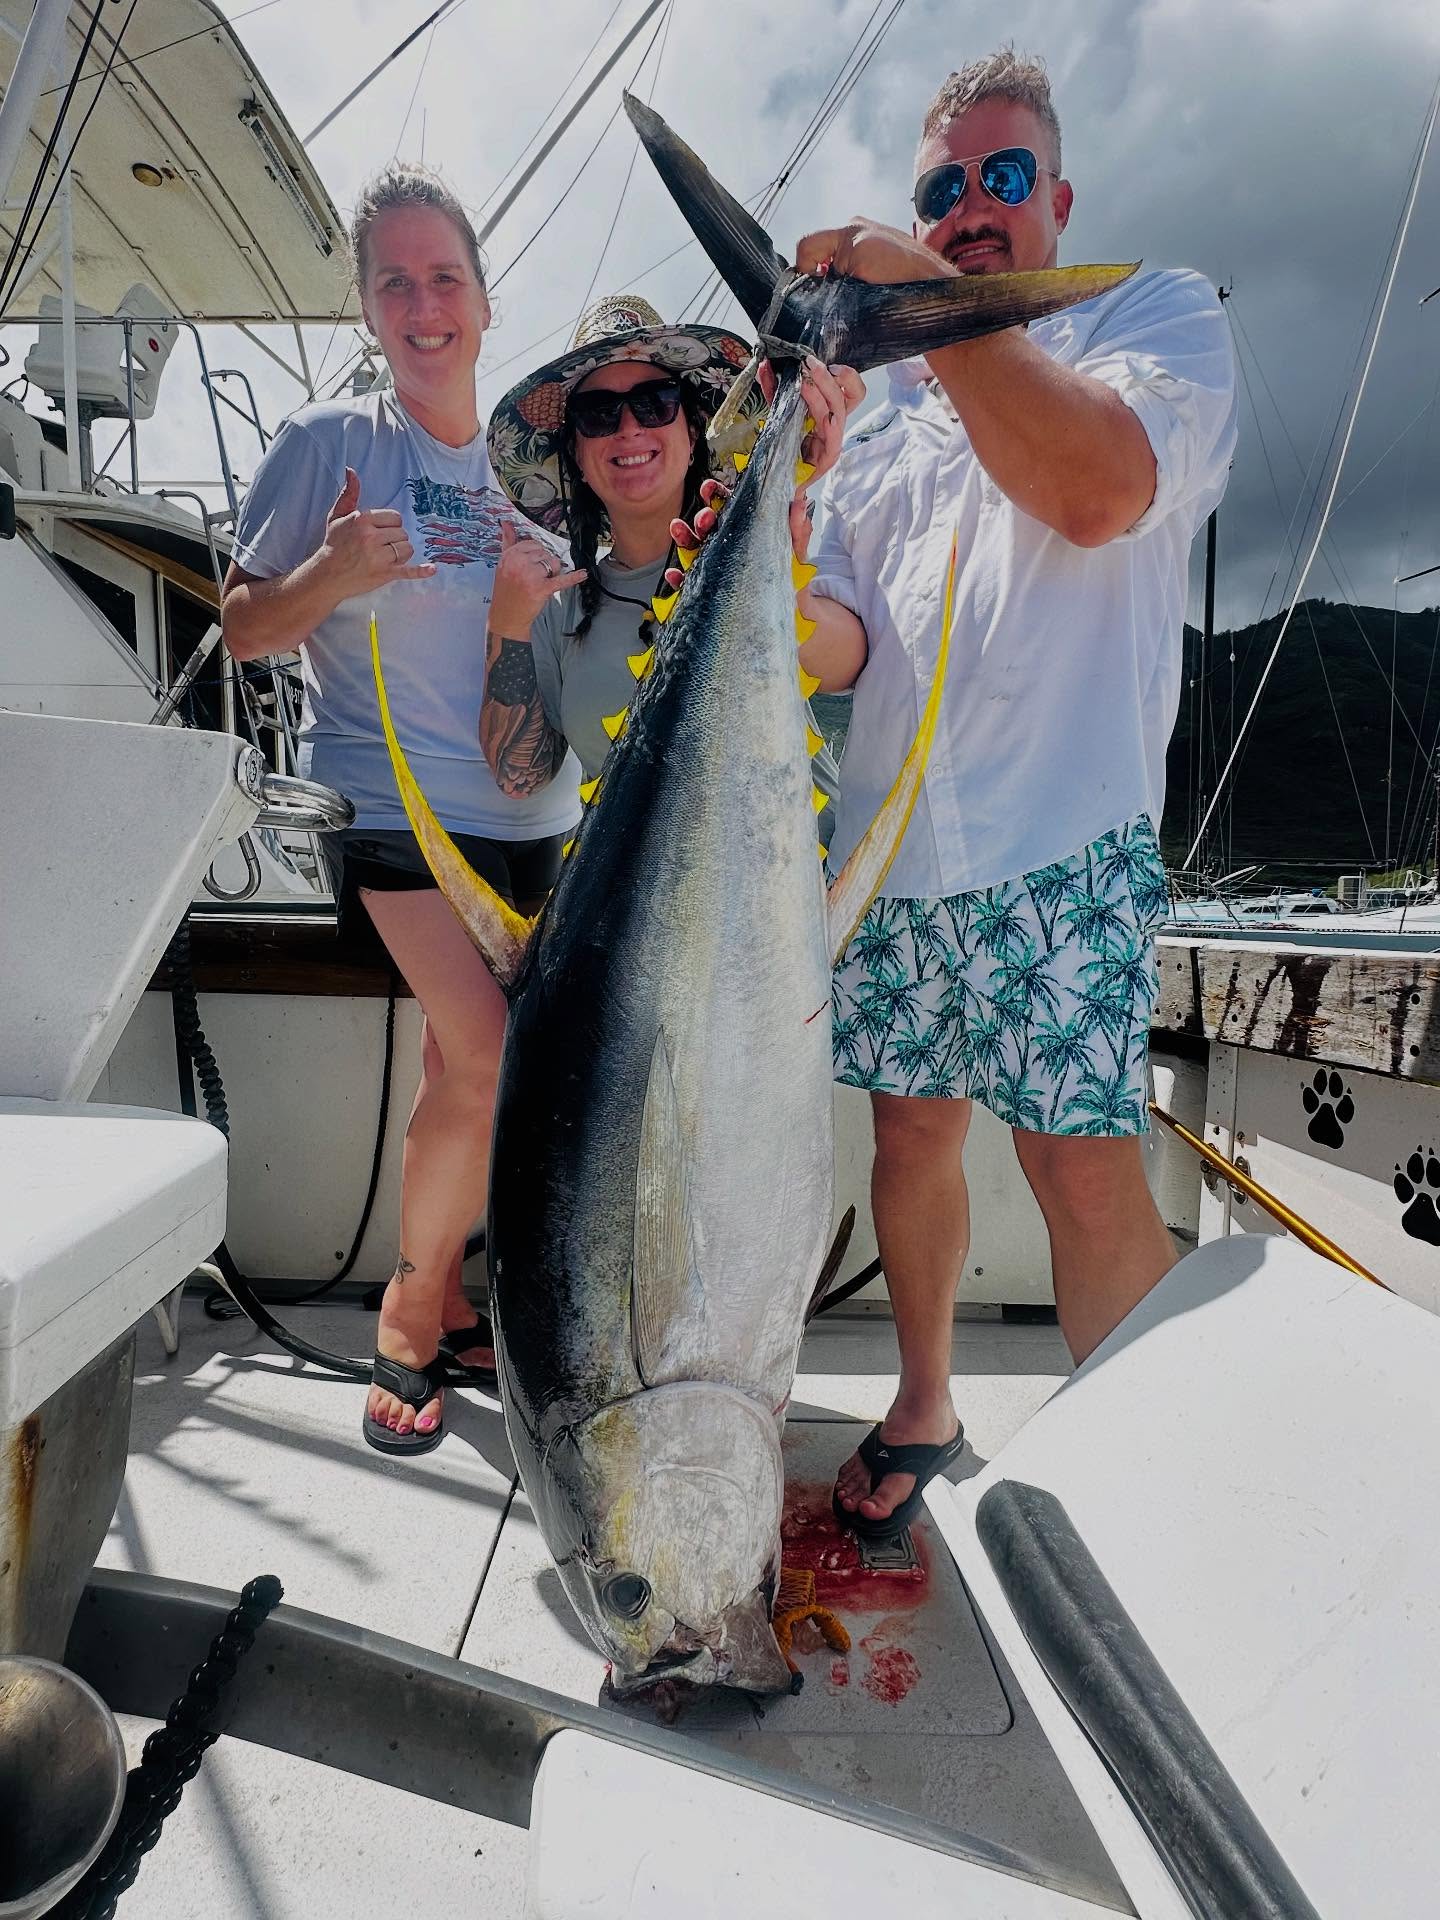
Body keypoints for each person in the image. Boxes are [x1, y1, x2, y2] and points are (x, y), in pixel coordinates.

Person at [796, 49, 1239, 1538]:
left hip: (1066, 839)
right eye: (940, 189)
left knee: (1080, 1167)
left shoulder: (1154, 314)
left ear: (1053, 197)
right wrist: (764, 533)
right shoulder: (878, 416)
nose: (969, 209)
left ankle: (1167, 1489)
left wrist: (908, 283)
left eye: (997, 181)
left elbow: (1097, 488)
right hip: (897, 857)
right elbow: (840, 647)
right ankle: (923, 1404)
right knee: (909, 1135)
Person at [221, 165, 581, 1457]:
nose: (423, 304)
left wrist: (518, 622)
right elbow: (246, 630)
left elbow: (537, 708)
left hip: (532, 824)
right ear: (368, 307)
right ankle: (413, 1313)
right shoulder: (331, 445)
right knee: (486, 1056)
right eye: (396, 281)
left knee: (458, 1071)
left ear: (485, 300)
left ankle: (457, 1296)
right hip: (386, 812)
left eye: (446, 277)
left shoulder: (536, 473)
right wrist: (331, 568)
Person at [478, 293, 864, 803]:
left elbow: (848, 665)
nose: (630, 427)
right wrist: (506, 624)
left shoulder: (774, 536)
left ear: (693, 426)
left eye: (654, 402)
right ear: (575, 450)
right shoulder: (557, 610)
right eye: (598, 414)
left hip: (798, 880)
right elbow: (521, 776)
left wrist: (780, 592)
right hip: (635, 886)